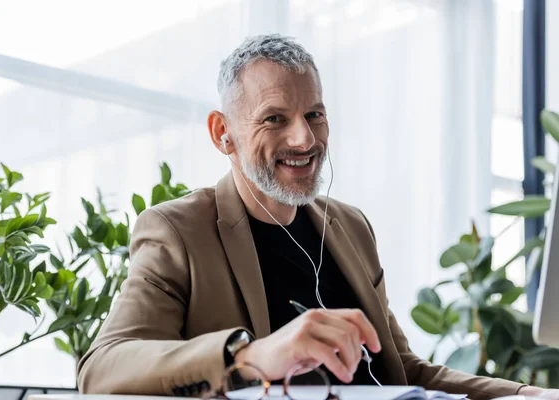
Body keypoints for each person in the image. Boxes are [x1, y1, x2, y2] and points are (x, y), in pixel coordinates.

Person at [77, 34, 556, 400]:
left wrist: (526, 394)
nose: (304, 140)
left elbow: (403, 372)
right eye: (275, 119)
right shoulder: (179, 230)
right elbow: (102, 371)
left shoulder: (350, 226)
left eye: (315, 115)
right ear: (224, 134)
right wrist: (247, 355)